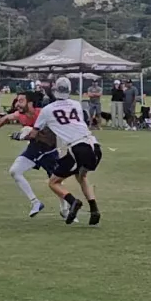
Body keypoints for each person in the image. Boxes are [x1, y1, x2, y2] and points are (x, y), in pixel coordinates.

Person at [32, 77, 105, 225]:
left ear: (55, 90)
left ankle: (73, 202)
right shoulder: (76, 104)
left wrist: (20, 135)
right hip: (94, 146)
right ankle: (94, 209)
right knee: (81, 176)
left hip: (78, 148)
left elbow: (34, 133)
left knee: (53, 182)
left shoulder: (47, 109)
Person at [0, 93, 55, 217]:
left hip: (49, 151)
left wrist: (28, 133)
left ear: (30, 103)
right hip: (34, 150)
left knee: (56, 182)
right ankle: (35, 202)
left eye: (20, 101)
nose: (16, 104)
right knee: (15, 171)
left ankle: (65, 209)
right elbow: (5, 119)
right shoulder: (20, 115)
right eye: (17, 101)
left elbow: (51, 135)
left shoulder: (42, 113)